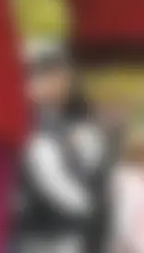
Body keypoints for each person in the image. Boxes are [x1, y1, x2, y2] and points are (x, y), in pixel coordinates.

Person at [13, 43, 110, 253]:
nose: (57, 83)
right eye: (42, 75)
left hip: (73, 236)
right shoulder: (31, 132)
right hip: (38, 235)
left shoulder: (83, 127)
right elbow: (62, 191)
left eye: (60, 75)